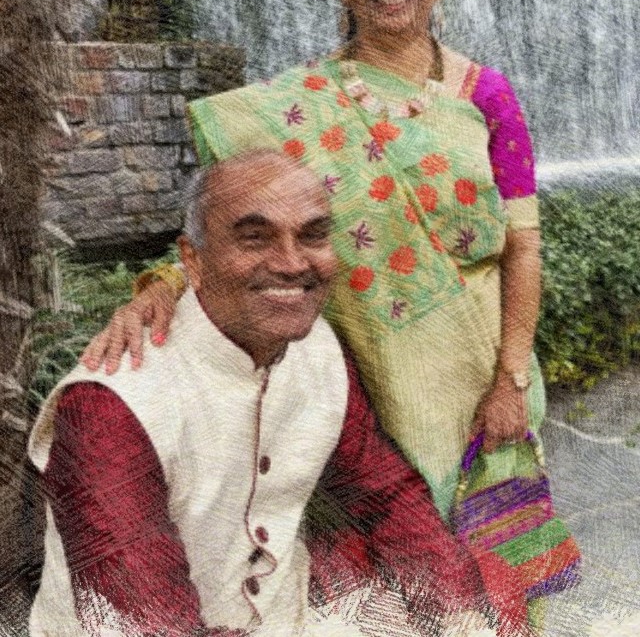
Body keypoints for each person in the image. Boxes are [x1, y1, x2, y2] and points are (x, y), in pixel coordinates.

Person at [82, 0, 571, 625]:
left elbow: (522, 248)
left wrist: (510, 378)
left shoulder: (487, 96)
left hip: (482, 380)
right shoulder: (292, 107)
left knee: (497, 568)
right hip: (366, 382)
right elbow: (236, 222)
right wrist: (159, 287)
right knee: (395, 571)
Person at [30, 152, 523, 637]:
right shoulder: (109, 406)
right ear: (193, 260)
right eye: (255, 238)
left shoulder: (317, 348)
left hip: (289, 612)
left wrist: (463, 618)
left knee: (488, 594)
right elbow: (149, 621)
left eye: (312, 236)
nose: (291, 263)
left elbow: (386, 497)